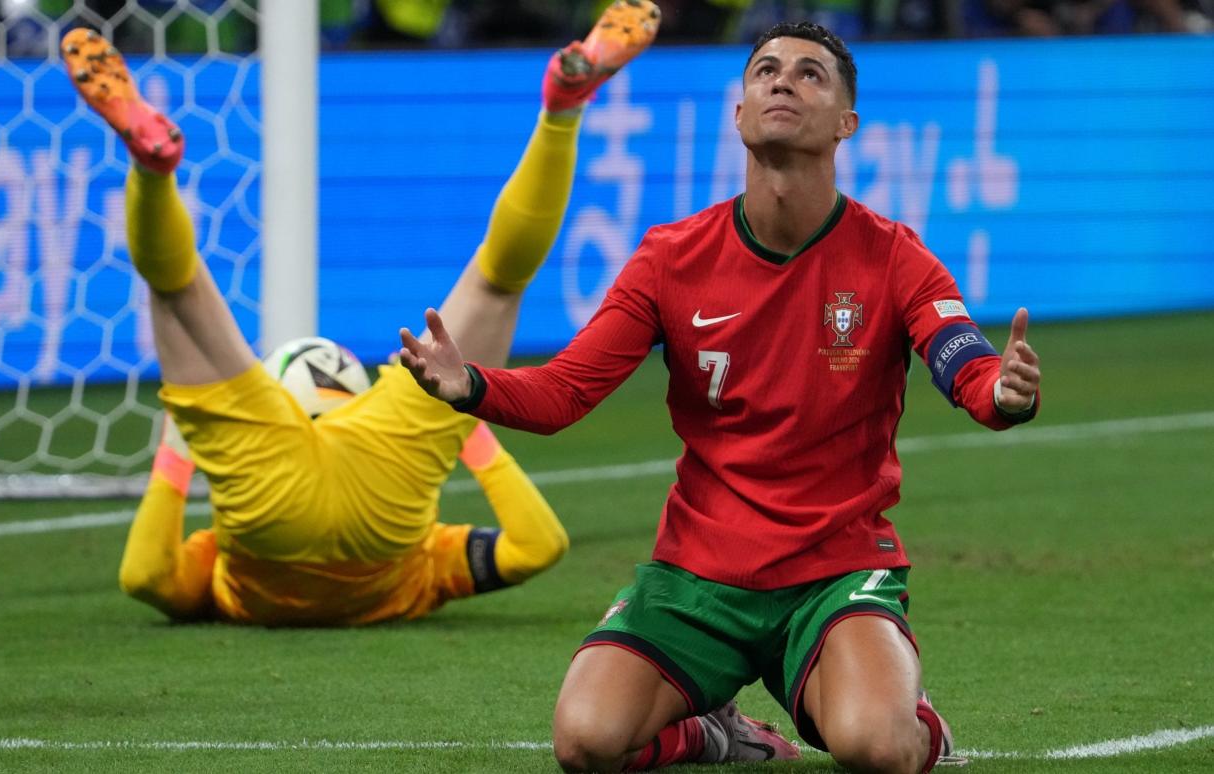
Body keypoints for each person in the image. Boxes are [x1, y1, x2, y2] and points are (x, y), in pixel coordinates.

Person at [400, 20, 1043, 773]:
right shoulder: (671, 259)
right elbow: (566, 392)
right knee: (585, 741)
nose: (782, 80)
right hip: (697, 576)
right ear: (738, 114)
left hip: (833, 574)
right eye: (765, 70)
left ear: (846, 125)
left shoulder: (895, 258)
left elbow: (963, 362)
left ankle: (912, 719)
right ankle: (713, 733)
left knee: (876, 748)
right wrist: (471, 383)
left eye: (810, 74)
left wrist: (1003, 392)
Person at [59, 0, 661, 627]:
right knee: (497, 280)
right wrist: (461, 417)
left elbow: (142, 574)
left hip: (275, 500)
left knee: (177, 291)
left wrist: (180, 455)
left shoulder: (220, 561)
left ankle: (151, 171)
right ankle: (561, 114)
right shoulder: (429, 562)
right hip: (380, 482)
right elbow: (540, 544)